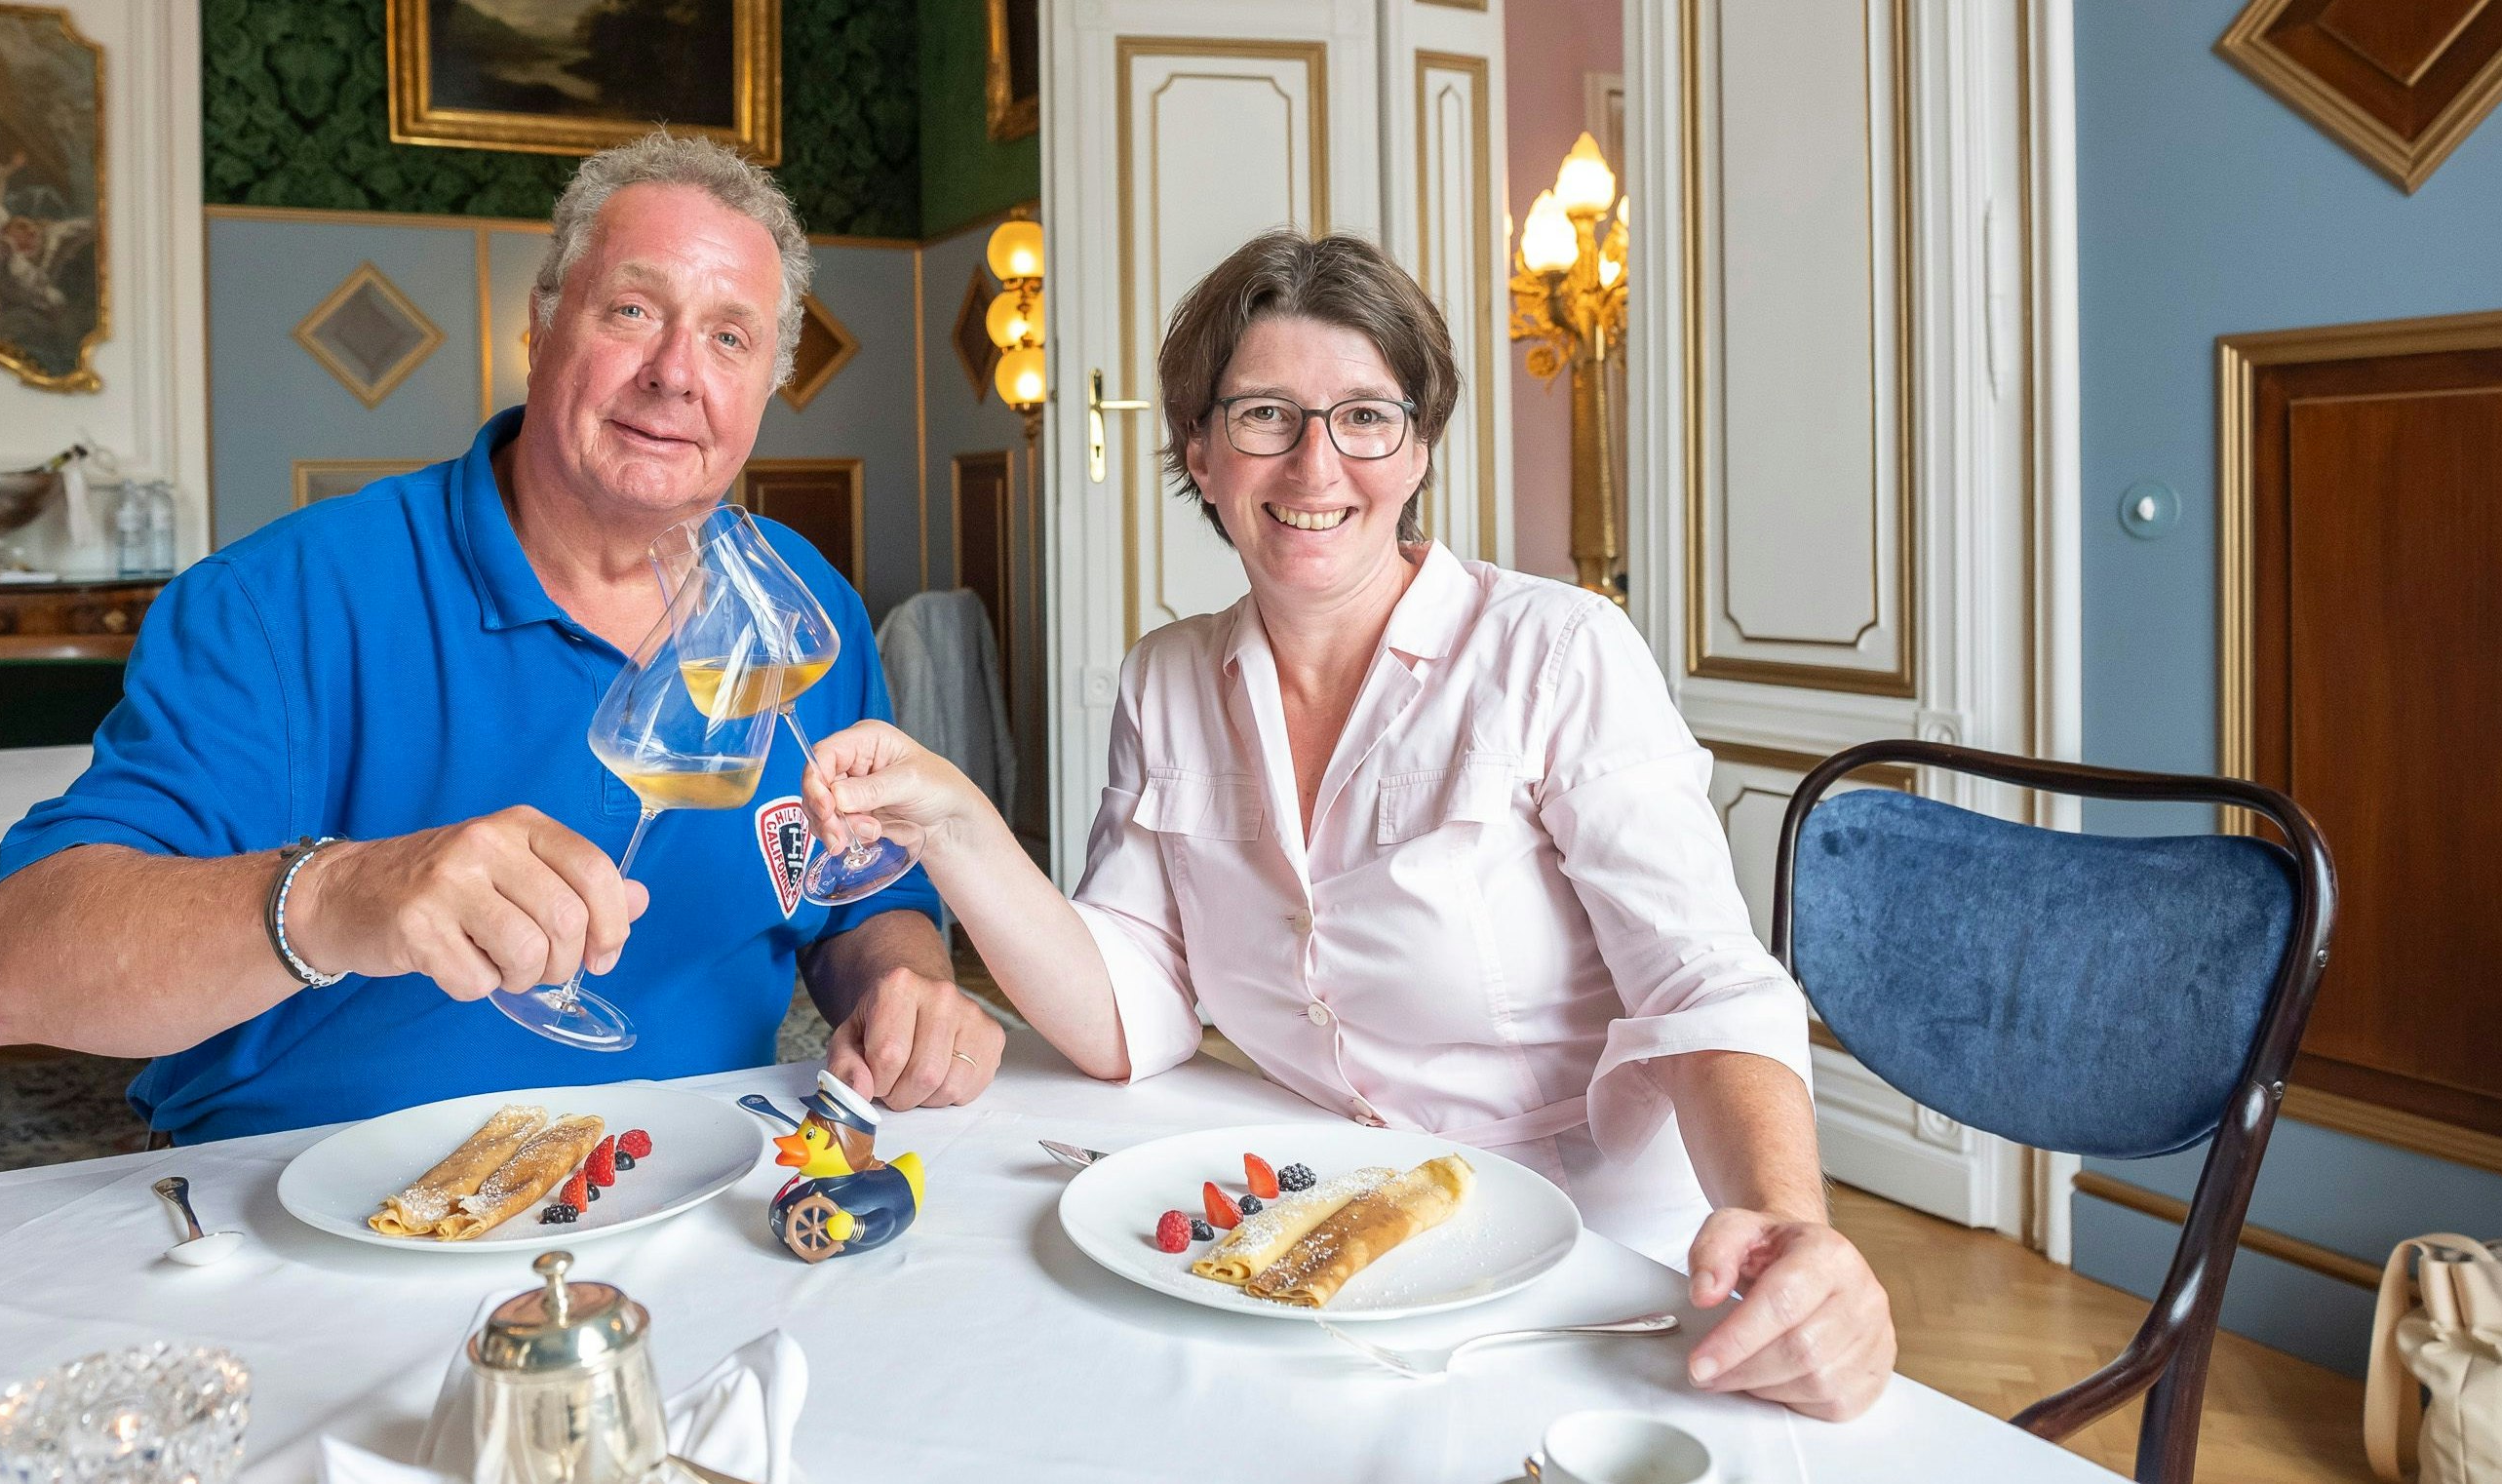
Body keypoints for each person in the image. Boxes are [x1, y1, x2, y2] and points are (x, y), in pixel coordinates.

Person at [800, 231, 1896, 1419]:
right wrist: (952, 819)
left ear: (1416, 448)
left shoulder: (1554, 651)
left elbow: (1700, 988)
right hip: (1315, 1231)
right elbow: (1130, 1015)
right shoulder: (1164, 679)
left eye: (1365, 416)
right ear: (1200, 453)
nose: (1317, 464)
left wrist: (1790, 1232)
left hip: (1589, 1278)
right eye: (1265, 413)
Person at [0, 134, 1008, 1146]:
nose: (676, 372)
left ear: (767, 385)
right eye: (632, 310)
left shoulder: (797, 613)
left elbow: (870, 896)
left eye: (729, 337)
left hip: (702, 1189)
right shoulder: (278, 602)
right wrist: (335, 895)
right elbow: (7, 973)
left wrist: (899, 982)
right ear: (541, 326)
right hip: (312, 1218)